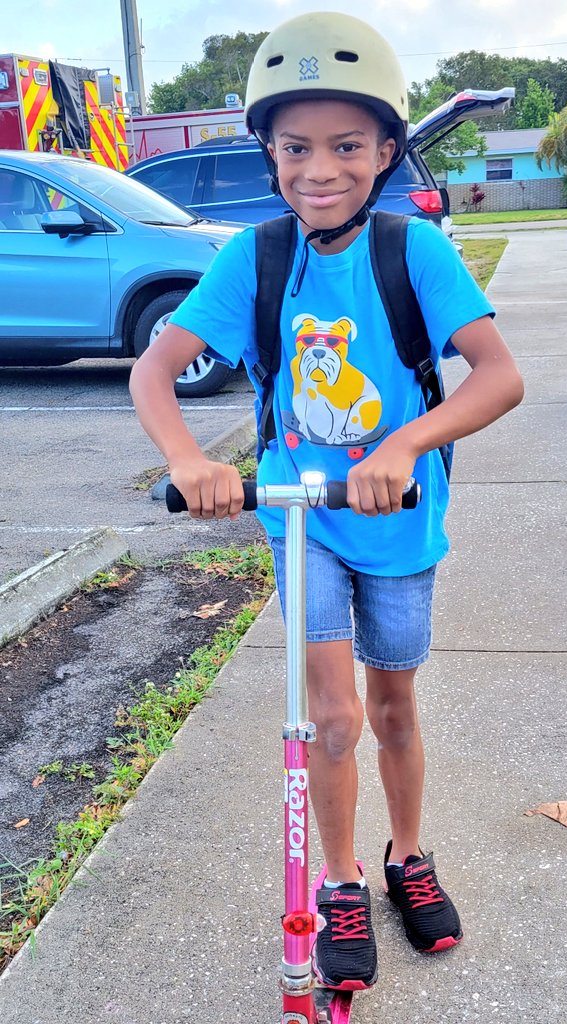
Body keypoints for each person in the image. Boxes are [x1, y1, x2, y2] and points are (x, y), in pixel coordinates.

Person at [129, 11, 524, 992]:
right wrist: (189, 461)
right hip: (302, 520)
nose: (321, 168)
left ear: (386, 149)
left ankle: (406, 857)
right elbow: (154, 371)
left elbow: (495, 375)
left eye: (347, 145)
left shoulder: (411, 250)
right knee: (332, 717)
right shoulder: (253, 260)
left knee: (393, 704)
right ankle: (341, 880)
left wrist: (402, 442)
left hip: (397, 519)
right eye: (296, 147)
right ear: (268, 152)